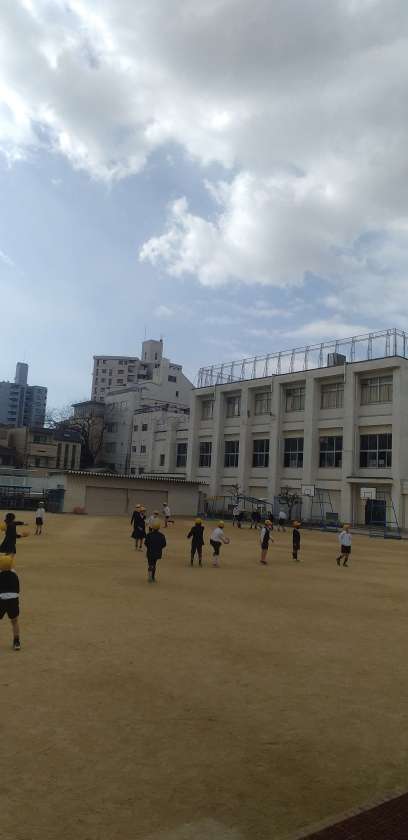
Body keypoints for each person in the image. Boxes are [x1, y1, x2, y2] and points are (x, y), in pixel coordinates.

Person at [0, 554, 21, 650]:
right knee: (14, 621)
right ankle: (16, 642)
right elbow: (17, 589)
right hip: (13, 600)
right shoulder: (14, 574)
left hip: (1, 600)